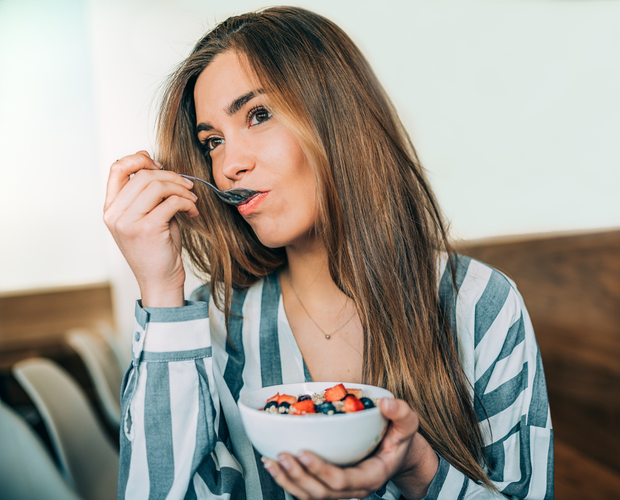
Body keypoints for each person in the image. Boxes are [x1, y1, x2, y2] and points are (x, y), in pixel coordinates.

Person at [104, 6, 553, 500]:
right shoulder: (211, 320)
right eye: (212, 141)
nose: (229, 164)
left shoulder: (480, 304)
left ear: (339, 115)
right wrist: (161, 291)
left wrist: (417, 466)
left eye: (258, 115)